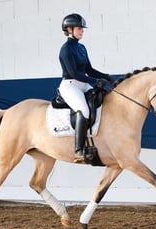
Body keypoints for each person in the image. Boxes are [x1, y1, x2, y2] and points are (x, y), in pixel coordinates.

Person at [58, 13, 113, 163]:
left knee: (104, 99)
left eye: (82, 28)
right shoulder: (65, 49)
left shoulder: (81, 47)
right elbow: (74, 73)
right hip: (70, 86)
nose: (82, 31)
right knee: (84, 110)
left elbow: (89, 69)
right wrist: (95, 81)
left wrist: (106, 77)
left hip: (82, 83)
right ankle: (78, 151)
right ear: (69, 29)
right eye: (79, 28)